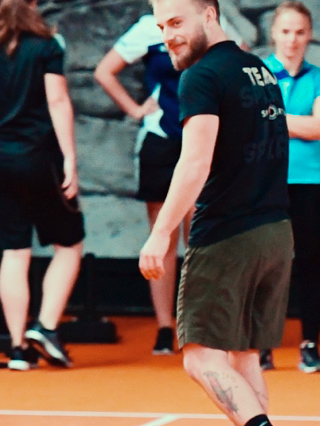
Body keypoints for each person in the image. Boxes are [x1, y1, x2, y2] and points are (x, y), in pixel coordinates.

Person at [139, 0, 313, 426]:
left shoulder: (201, 76)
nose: (168, 35)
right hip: (274, 232)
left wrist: (161, 232)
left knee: (199, 357)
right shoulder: (258, 69)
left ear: (209, 15)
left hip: (228, 237)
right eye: (161, 25)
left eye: (176, 22)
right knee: (241, 359)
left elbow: (196, 160)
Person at [94, 10, 245, 355]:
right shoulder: (149, 29)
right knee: (163, 236)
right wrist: (135, 109)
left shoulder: (212, 27)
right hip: (162, 141)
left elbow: (238, 64)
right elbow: (104, 71)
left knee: (202, 234)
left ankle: (202, 324)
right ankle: (166, 327)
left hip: (204, 138)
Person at [0, 0, 84, 371]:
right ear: (34, 3)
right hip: (39, 160)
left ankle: (18, 348)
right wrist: (69, 158)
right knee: (70, 244)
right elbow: (57, 100)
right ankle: (46, 327)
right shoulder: (47, 46)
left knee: (14, 253)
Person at [261, 1, 320, 373]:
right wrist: (297, 122)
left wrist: (272, 117)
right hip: (264, 183)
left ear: (309, 36)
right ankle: (261, 346)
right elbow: (245, 123)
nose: (292, 40)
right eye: (286, 31)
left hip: (309, 184)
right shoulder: (257, 74)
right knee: (264, 266)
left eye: (300, 32)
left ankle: (309, 346)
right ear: (274, 33)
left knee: (310, 264)